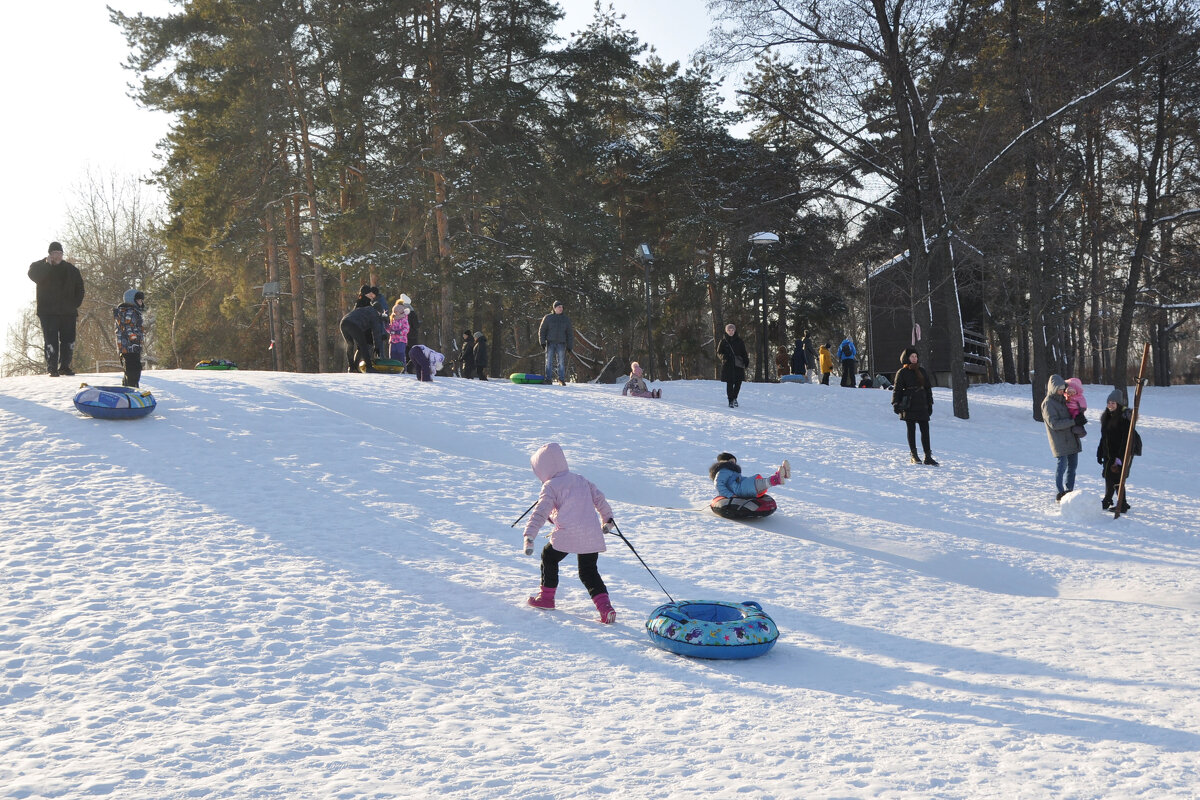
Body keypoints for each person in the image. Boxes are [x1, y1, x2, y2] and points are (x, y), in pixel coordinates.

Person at [522, 442, 618, 624]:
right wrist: (608, 519)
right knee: (589, 571)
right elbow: (599, 498)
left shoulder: (550, 486)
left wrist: (529, 535)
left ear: (543, 469)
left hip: (568, 533)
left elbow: (541, 512)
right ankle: (606, 608)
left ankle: (547, 598)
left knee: (549, 557)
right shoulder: (580, 479)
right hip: (591, 533)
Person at [27, 241, 85, 377]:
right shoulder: (38, 266)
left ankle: (65, 366)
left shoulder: (71, 270)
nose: (57, 256)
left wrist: (74, 304)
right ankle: (52, 367)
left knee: (69, 340)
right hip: (48, 313)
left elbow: (80, 288)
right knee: (50, 340)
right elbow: (34, 277)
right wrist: (47, 265)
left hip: (68, 313)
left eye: (59, 253)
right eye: (54, 253)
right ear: (49, 254)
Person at [891, 347, 938, 465]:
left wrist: (930, 403)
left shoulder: (922, 371)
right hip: (909, 403)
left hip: (922, 403)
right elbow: (897, 389)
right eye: (912, 356)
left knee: (925, 430)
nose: (914, 358)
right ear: (907, 358)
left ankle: (928, 456)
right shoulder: (902, 372)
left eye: (916, 356)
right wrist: (896, 403)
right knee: (911, 429)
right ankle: (914, 455)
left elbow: (928, 388)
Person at [1097, 390, 1142, 512]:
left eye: (1113, 403)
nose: (1110, 405)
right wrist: (1100, 452)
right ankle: (1108, 500)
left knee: (1117, 478)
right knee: (1108, 477)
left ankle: (1122, 504)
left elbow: (1126, 441)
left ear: (1119, 404)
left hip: (1119, 454)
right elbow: (1104, 437)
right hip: (1109, 453)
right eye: (1109, 402)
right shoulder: (1106, 417)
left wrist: (1120, 457)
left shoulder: (1124, 420)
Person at [1042, 374, 1082, 502]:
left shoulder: (1064, 400)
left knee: (1073, 466)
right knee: (1062, 466)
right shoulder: (1048, 403)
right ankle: (1060, 492)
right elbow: (1054, 424)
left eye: (1062, 388)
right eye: (1059, 389)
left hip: (1071, 438)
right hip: (1059, 440)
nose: (1062, 391)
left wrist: (1079, 416)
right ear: (1052, 388)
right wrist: (1073, 421)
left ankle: (1069, 490)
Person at [709, 452, 790, 498]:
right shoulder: (723, 471)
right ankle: (777, 478)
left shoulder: (732, 471)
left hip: (740, 487)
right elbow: (719, 484)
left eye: (734, 462)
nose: (733, 464)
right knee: (755, 484)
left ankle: (780, 476)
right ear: (724, 462)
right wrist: (730, 495)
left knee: (756, 482)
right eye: (731, 462)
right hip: (738, 490)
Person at [113, 289, 146, 388]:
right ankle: (131, 387)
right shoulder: (130, 312)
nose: (141, 302)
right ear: (132, 300)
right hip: (129, 346)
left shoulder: (131, 311)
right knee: (133, 369)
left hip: (128, 346)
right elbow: (128, 327)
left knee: (132, 368)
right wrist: (134, 339)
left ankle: (129, 386)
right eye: (139, 300)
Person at [339, 305, 387, 373]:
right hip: (354, 324)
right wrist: (377, 347)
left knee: (350, 344)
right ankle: (369, 367)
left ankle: (351, 367)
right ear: (379, 311)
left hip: (343, 322)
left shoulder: (364, 309)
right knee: (364, 346)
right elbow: (376, 333)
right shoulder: (375, 314)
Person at [538, 300, 574, 385]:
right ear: (554, 308)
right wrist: (542, 342)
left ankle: (561, 379)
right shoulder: (548, 318)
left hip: (561, 343)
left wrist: (570, 346)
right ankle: (548, 379)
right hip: (550, 343)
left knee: (561, 362)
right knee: (549, 362)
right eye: (559, 307)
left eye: (562, 307)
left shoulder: (566, 319)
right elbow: (542, 331)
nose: (561, 308)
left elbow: (570, 333)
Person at [717, 323, 748, 408]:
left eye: (732, 330)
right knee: (729, 383)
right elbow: (719, 353)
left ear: (735, 331)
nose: (731, 332)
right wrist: (724, 357)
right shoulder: (723, 341)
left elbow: (744, 352)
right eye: (729, 330)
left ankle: (735, 398)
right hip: (728, 365)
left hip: (738, 365)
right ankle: (730, 400)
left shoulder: (739, 341)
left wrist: (746, 361)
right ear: (726, 331)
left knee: (738, 383)